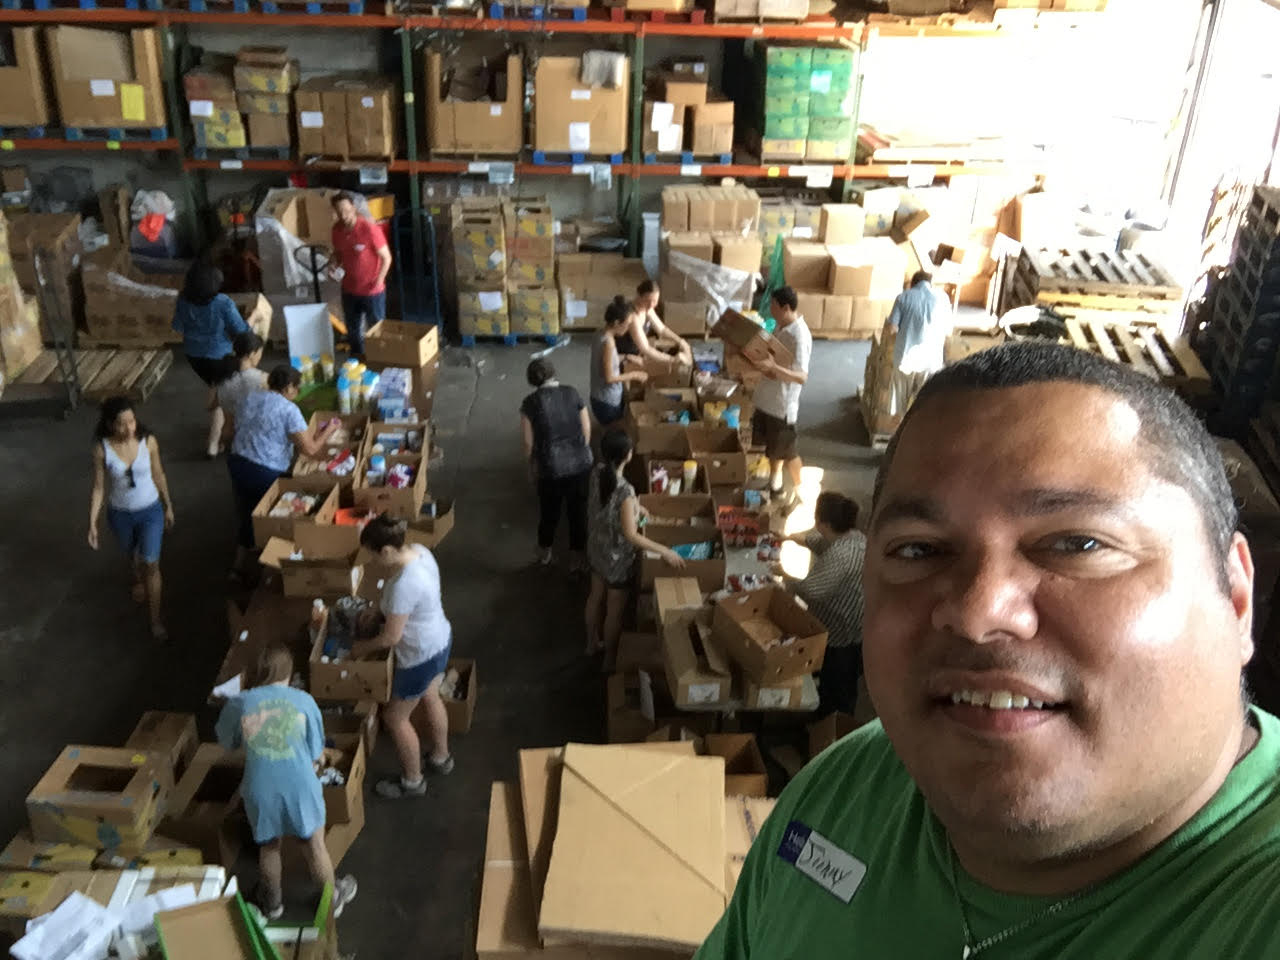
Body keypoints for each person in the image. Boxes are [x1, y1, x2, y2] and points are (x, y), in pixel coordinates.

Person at [695, 341, 1280, 959]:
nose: (977, 613)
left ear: (1235, 595)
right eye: (919, 550)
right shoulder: (840, 795)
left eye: (1076, 544)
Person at [215, 644, 358, 920]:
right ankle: (332, 900)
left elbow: (226, 742)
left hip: (259, 790)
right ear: (290, 675)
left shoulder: (239, 703)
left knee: (269, 847)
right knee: (314, 845)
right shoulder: (304, 701)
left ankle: (272, 903)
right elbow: (317, 752)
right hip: (300, 787)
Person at [351, 515, 454, 800]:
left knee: (395, 718)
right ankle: (441, 757)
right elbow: (414, 604)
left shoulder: (402, 585)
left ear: (385, 551)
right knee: (431, 695)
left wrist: (361, 649)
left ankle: (412, 780)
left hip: (419, 655)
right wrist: (383, 612)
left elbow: (391, 638)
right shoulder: (421, 551)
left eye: (373, 555)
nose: (372, 561)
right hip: (440, 640)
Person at [586, 429, 685, 670]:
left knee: (595, 597)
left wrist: (637, 508)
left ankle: (590, 644)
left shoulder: (598, 473)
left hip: (597, 548)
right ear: (628, 456)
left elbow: (609, 504)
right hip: (617, 559)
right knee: (614, 610)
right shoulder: (625, 491)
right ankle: (609, 659)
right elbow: (631, 535)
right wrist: (665, 551)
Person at [227, 364, 338, 575]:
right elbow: (310, 450)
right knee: (275, 518)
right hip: (264, 470)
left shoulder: (250, 397)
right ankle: (271, 569)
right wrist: (330, 430)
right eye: (296, 389)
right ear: (288, 388)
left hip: (237, 462)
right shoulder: (288, 410)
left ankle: (237, 566)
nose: (296, 394)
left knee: (250, 512)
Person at [88, 396, 175, 642]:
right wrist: (92, 522)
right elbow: (98, 487)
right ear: (109, 425)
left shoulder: (149, 442)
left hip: (150, 511)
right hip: (120, 514)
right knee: (132, 555)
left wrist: (168, 505)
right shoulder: (101, 449)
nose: (129, 429)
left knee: (152, 563)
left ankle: (155, 619)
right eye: (121, 424)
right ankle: (136, 578)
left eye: (132, 422)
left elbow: (159, 474)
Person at [781, 491, 866, 716]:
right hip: (855, 625)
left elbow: (812, 590)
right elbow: (817, 542)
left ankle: (831, 725)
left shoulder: (840, 555)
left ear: (822, 522)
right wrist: (787, 537)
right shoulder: (852, 537)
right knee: (837, 679)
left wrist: (783, 578)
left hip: (841, 633)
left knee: (838, 685)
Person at [520, 357, 594, 570]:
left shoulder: (530, 403)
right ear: (554, 373)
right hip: (580, 465)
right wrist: (580, 452)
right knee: (577, 512)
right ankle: (576, 559)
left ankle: (545, 553)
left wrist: (531, 466)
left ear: (531, 380)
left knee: (549, 512)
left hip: (550, 467)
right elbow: (586, 427)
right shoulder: (572, 393)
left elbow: (528, 442)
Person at [172, 261, 249, 458]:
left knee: (217, 390)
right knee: (220, 399)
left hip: (194, 356)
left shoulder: (182, 300)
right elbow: (241, 329)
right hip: (219, 356)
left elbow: (178, 327)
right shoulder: (222, 302)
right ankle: (213, 444)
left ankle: (223, 432)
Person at [750, 286, 812, 506]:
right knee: (772, 448)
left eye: (774, 307)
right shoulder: (780, 326)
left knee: (789, 452)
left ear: (786, 308)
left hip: (782, 405)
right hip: (767, 399)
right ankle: (775, 485)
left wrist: (774, 368)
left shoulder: (800, 336)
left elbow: (802, 376)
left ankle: (800, 491)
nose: (771, 311)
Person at [329, 191, 391, 360]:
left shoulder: (369, 229)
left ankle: (380, 360)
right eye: (339, 212)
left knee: (376, 329)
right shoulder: (337, 230)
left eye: (347, 210)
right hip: (349, 289)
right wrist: (333, 264)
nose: (344, 215)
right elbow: (338, 253)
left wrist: (379, 281)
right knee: (353, 329)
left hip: (372, 292)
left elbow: (386, 258)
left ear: (354, 208)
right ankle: (357, 360)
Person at [887, 269, 951, 415]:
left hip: (905, 359)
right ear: (930, 283)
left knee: (900, 404)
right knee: (923, 404)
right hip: (930, 360)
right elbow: (948, 331)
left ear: (913, 283)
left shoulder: (903, 297)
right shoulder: (943, 298)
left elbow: (892, 328)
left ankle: (900, 431)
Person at [590, 296, 649, 428]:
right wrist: (635, 375)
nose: (628, 328)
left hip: (598, 396)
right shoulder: (609, 344)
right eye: (627, 324)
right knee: (614, 433)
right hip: (606, 401)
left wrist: (627, 357)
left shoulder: (599, 333)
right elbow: (610, 377)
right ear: (617, 323)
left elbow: (606, 360)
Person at [618, 280, 693, 369]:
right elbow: (646, 349)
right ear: (638, 295)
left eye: (654, 301)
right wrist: (673, 360)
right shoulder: (632, 316)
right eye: (648, 301)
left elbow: (662, 330)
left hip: (636, 351)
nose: (651, 305)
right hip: (622, 357)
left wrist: (681, 341)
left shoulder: (646, 307)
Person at [213, 330, 267, 453]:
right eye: (260, 353)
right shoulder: (262, 379)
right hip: (257, 441)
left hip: (233, 442)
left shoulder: (223, 379)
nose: (260, 356)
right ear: (252, 354)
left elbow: (211, 405)